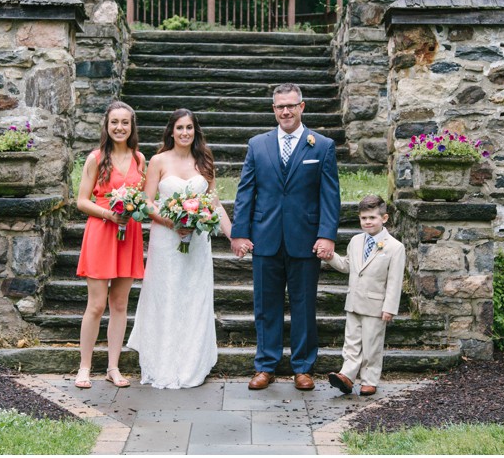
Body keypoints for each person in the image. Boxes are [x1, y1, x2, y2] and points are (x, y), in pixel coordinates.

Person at [231, 82, 341, 391]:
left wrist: (327, 235)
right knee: (266, 306)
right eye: (280, 106)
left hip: (305, 238)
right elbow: (246, 193)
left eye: (291, 105)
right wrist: (240, 233)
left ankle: (303, 368)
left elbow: (329, 196)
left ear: (302, 107)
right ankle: (266, 366)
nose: (286, 111)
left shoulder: (321, 145)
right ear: (273, 109)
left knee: (305, 305)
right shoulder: (258, 145)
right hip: (265, 237)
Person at [127, 108, 232, 389]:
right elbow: (147, 202)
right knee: (167, 295)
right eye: (180, 128)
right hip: (166, 239)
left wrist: (234, 235)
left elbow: (215, 203)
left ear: (195, 131)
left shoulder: (204, 161)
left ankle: (191, 362)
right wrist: (170, 222)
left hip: (197, 242)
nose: (185, 133)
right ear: (171, 131)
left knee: (194, 298)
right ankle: (163, 360)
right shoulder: (159, 160)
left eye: (189, 128)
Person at [74, 101, 145, 389]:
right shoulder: (95, 158)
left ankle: (113, 367)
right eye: (114, 122)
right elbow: (81, 201)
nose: (119, 127)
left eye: (125, 122)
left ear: (131, 126)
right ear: (106, 125)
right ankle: (84, 367)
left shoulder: (140, 159)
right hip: (102, 232)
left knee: (119, 304)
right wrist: (108, 214)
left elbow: (143, 197)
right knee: (96, 304)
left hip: (128, 233)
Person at [320, 194, 405, 396]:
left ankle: (369, 379)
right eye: (364, 218)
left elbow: (394, 281)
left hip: (376, 305)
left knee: (371, 343)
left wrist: (390, 308)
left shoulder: (394, 247)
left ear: (384, 218)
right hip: (354, 301)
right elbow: (348, 266)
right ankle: (347, 376)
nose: (367, 222)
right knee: (351, 342)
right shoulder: (356, 241)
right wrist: (331, 257)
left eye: (372, 218)